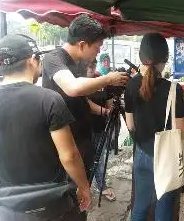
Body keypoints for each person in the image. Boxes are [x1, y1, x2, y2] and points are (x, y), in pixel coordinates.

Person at [0, 34, 90, 220]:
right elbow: (69, 156)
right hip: (51, 204)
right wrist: (84, 186)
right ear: (32, 60)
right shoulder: (48, 99)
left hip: (8, 206)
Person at [42, 14, 129, 181]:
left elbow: (83, 100)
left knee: (82, 196)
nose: (98, 51)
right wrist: (109, 78)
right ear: (82, 45)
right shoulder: (54, 58)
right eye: (97, 47)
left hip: (83, 141)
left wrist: (105, 108)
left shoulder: (79, 64)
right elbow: (73, 88)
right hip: (66, 146)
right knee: (70, 196)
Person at [124, 33, 184, 221]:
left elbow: (130, 125)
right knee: (164, 211)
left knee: (140, 207)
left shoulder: (130, 85)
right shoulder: (173, 89)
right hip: (165, 158)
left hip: (142, 154)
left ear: (141, 58)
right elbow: (181, 132)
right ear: (165, 59)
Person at [86, 60, 116, 202]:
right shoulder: (78, 81)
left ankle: (101, 186)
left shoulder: (101, 80)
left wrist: (109, 111)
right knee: (85, 159)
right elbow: (86, 103)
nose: (91, 68)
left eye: (92, 64)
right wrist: (105, 111)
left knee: (99, 158)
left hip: (100, 127)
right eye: (88, 65)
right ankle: (85, 187)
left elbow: (109, 100)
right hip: (83, 129)